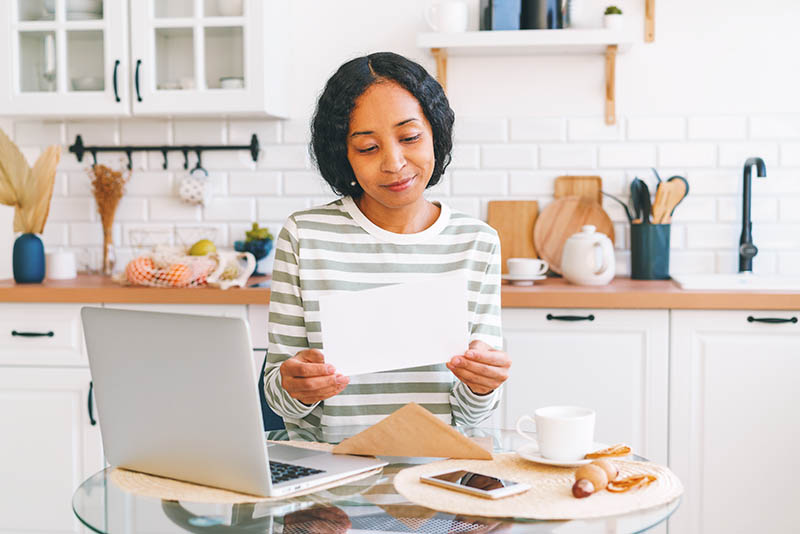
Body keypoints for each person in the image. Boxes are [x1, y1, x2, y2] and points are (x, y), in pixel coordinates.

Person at [263, 51, 511, 432]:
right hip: (331, 476)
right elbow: (281, 403)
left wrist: (481, 387)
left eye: (409, 137)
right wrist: (296, 388)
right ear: (343, 154)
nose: (394, 163)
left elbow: (471, 416)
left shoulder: (476, 242)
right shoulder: (304, 236)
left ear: (435, 133)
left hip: (437, 477)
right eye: (367, 147)